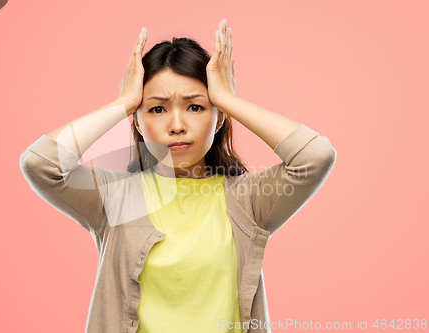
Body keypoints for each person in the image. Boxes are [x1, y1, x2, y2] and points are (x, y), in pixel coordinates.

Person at [19, 19, 337, 333]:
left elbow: (315, 157)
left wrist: (229, 99)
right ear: (137, 123)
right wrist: (123, 103)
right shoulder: (115, 197)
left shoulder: (248, 199)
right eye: (157, 109)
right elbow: (41, 164)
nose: (176, 125)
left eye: (195, 107)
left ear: (219, 118)